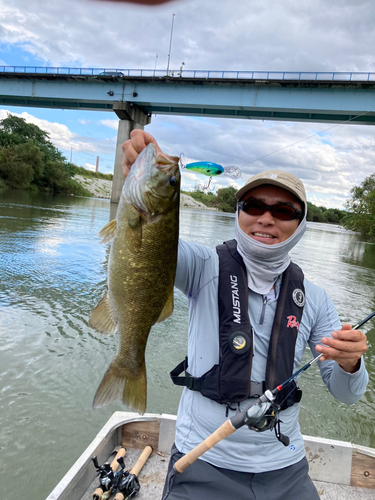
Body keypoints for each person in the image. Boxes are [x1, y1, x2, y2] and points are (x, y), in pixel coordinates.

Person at [122, 129, 368, 500]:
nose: (266, 219)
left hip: (286, 467)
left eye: (283, 210)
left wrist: (352, 365)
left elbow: (346, 394)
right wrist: (136, 180)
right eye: (254, 206)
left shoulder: (315, 299)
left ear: (300, 223)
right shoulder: (201, 265)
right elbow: (142, 247)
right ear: (238, 213)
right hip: (201, 459)